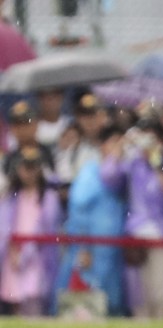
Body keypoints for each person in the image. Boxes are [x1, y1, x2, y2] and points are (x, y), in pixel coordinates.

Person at [105, 113, 163, 320]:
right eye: (144, 138)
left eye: (152, 138)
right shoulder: (133, 164)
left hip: (162, 234)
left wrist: (157, 164)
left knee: (161, 293)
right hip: (136, 234)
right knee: (138, 294)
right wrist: (121, 146)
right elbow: (109, 177)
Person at [53, 125, 128, 317]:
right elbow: (79, 208)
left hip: (114, 252)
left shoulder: (122, 174)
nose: (118, 148)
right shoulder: (90, 172)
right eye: (114, 143)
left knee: (112, 304)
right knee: (85, 302)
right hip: (91, 252)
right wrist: (83, 245)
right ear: (102, 146)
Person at [0, 147, 62, 316]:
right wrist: (13, 251)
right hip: (12, 254)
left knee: (34, 298)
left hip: (39, 257)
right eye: (25, 167)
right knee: (13, 299)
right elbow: (4, 227)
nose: (29, 172)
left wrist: (26, 253)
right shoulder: (10, 197)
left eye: (33, 167)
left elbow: (47, 231)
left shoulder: (49, 198)